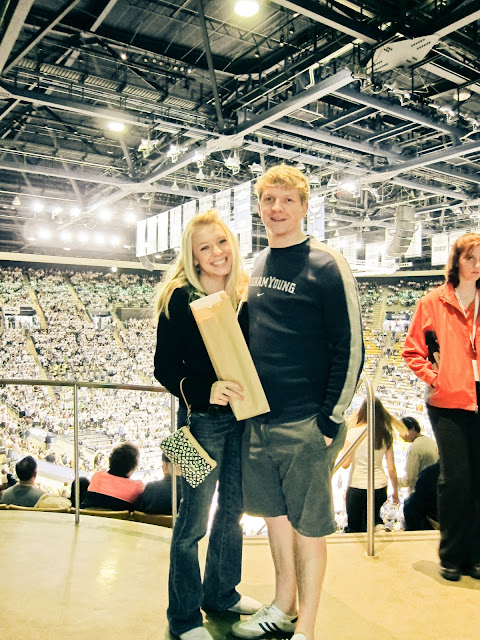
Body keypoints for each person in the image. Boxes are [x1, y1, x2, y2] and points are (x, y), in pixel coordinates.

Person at [232, 165, 364, 640]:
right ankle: (282, 605)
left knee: (309, 529)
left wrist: (329, 419)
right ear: (259, 207)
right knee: (275, 521)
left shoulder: (327, 264)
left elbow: (351, 346)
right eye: (269, 199)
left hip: (306, 420)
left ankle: (305, 627)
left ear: (305, 207)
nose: (277, 208)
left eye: (288, 200)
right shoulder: (259, 262)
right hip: (260, 421)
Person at [154, 209, 261, 640]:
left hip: (243, 421)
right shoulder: (179, 299)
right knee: (191, 524)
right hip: (199, 423)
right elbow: (164, 369)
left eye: (221, 242)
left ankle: (221, 593)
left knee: (233, 512)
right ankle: (183, 617)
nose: (217, 252)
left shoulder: (245, 293)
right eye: (205, 247)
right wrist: (205, 391)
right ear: (193, 257)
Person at [403, 232, 480, 582]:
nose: (476, 265)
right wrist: (437, 378)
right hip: (448, 400)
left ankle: (475, 556)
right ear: (456, 261)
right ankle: (451, 555)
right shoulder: (434, 301)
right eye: (470, 258)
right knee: (456, 478)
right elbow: (412, 350)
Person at [341, 397, 399, 533]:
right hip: (379, 486)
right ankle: (380, 529)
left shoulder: (352, 433)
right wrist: (395, 491)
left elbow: (345, 464)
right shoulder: (386, 434)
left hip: (357, 485)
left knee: (355, 526)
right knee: (373, 519)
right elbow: (391, 468)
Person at [81, 442, 144, 510]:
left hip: (88, 516)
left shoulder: (97, 476)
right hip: (119, 516)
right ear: (133, 467)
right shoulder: (137, 487)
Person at [398, 416, 438, 493]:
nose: (400, 435)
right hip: (433, 489)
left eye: (401, 431)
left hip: (421, 492)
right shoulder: (431, 441)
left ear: (412, 429)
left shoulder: (415, 447)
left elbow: (409, 479)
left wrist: (395, 481)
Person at [403, 461, 440, 531]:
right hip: (458, 521)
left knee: (409, 506)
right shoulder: (462, 472)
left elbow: (415, 502)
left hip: (433, 522)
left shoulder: (429, 473)